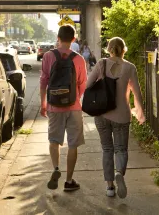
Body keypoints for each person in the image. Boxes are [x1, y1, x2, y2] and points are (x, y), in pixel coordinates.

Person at [86, 37, 145, 199]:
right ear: (123, 49)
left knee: (107, 149)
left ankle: (110, 187)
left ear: (109, 49)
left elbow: (87, 85)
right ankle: (119, 172)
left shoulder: (101, 64)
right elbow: (137, 93)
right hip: (122, 115)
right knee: (121, 149)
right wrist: (140, 112)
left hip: (102, 114)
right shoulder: (130, 67)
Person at [40, 24, 87, 192]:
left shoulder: (48, 56)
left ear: (58, 38)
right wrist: (75, 99)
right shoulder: (79, 59)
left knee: (54, 141)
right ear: (73, 39)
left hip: (54, 106)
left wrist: (43, 103)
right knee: (73, 144)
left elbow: (44, 81)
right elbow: (82, 84)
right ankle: (68, 181)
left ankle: (56, 169)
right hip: (74, 107)